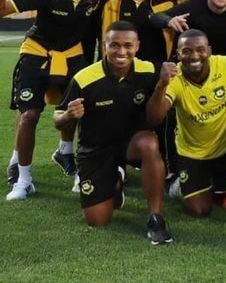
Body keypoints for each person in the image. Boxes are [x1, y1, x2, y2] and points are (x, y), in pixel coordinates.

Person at [2, 0, 114, 199]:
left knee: (79, 110)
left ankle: (72, 159)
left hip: (72, 54)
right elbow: (2, 10)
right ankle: (23, 178)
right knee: (29, 115)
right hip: (37, 51)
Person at [51, 21, 171, 242]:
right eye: (114, 45)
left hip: (131, 144)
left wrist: (163, 84)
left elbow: (157, 116)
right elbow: (57, 119)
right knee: (97, 220)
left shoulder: (150, 71)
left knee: (149, 142)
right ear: (104, 45)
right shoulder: (85, 78)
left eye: (128, 45)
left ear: (137, 46)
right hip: (96, 148)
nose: (121, 51)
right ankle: (115, 180)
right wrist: (68, 115)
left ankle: (156, 217)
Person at [145, 30, 226, 217]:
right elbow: (154, 118)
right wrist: (161, 84)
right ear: (178, 54)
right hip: (191, 153)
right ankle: (177, 183)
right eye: (187, 51)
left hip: (225, 147)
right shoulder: (174, 78)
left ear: (209, 51)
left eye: (200, 50)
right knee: (198, 210)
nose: (194, 56)